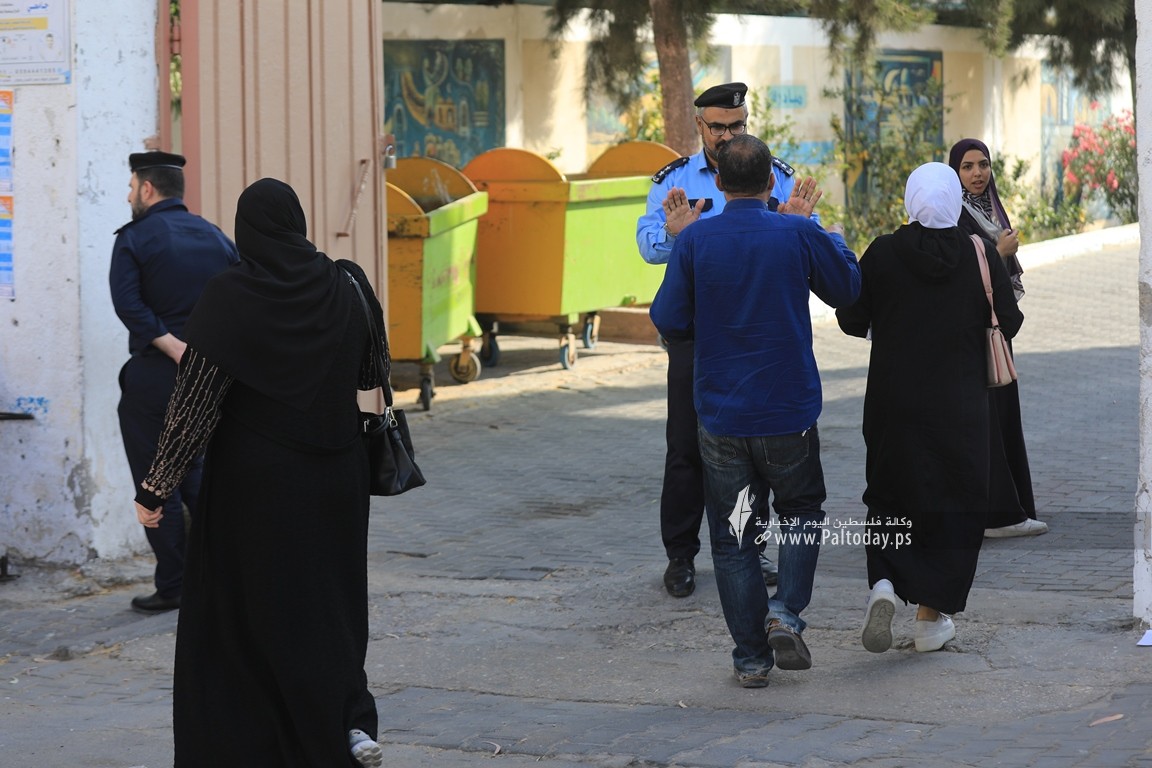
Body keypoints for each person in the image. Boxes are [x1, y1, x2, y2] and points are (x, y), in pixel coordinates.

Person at [133, 178, 384, 767]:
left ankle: (259, 742)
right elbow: (371, 371)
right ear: (296, 223)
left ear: (246, 232)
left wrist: (156, 487)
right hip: (337, 475)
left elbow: (193, 403)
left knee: (254, 614)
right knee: (331, 605)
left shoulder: (229, 296)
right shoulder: (347, 282)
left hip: (257, 485)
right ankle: (344, 722)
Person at [650, 134, 860, 687]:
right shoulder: (797, 231)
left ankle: (749, 659)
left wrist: (681, 238)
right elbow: (847, 291)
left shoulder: (696, 241)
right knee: (799, 514)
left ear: (717, 183)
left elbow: (669, 320)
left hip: (721, 415)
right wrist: (829, 237)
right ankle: (785, 614)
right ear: (772, 182)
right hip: (788, 411)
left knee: (733, 536)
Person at [637, 81, 821, 597]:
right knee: (684, 450)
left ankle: (749, 548)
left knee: (755, 450)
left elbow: (815, 235)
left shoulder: (774, 176)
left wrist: (791, 224)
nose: (727, 135)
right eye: (717, 127)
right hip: (697, 337)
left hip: (760, 335)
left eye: (736, 126)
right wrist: (676, 235)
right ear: (700, 126)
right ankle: (681, 555)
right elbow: (648, 244)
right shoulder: (675, 180)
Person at [836, 162, 1024, 654]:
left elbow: (852, 320)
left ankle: (884, 585)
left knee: (889, 495)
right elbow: (1009, 320)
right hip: (960, 408)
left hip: (892, 405)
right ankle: (929, 619)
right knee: (955, 505)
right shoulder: (979, 252)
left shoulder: (882, 252)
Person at [109, 150, 239, 614]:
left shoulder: (135, 237)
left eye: (130, 187)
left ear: (147, 189)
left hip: (156, 377)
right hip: (209, 378)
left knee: (154, 481)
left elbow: (127, 304)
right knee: (198, 475)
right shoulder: (215, 236)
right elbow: (241, 295)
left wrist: (170, 344)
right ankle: (215, 579)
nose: (129, 195)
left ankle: (175, 584)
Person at [948, 138, 1048, 539]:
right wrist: (999, 251)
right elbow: (960, 270)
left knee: (1005, 413)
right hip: (975, 334)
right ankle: (998, 511)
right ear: (953, 172)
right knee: (988, 415)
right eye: (967, 166)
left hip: (996, 330)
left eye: (983, 165)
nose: (977, 174)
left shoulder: (990, 206)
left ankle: (1013, 504)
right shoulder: (952, 212)